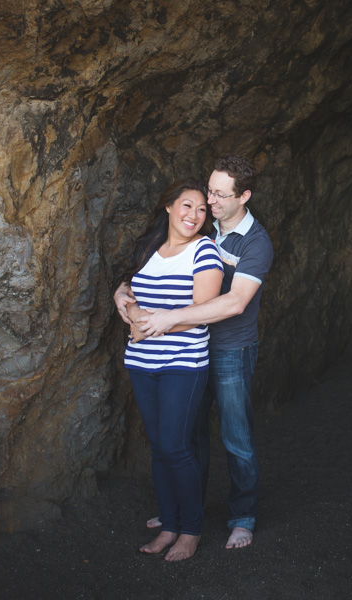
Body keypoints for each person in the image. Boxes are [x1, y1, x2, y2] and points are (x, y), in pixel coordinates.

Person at [116, 155, 273, 550]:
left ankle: (242, 516)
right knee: (190, 436)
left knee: (235, 436)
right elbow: (148, 270)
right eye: (209, 191)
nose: (211, 201)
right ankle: (188, 511)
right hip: (190, 347)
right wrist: (124, 293)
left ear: (244, 196)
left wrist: (166, 320)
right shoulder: (199, 225)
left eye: (220, 195)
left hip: (230, 347)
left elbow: (234, 302)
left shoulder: (256, 242)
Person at [119, 178, 223, 561]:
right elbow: (128, 287)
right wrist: (129, 307)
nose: (194, 215)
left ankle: (190, 531)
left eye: (201, 209)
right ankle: (169, 525)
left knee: (177, 447)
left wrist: (152, 323)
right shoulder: (150, 248)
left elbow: (201, 313)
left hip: (183, 362)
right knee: (159, 448)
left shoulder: (205, 252)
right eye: (186, 206)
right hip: (141, 362)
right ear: (168, 207)